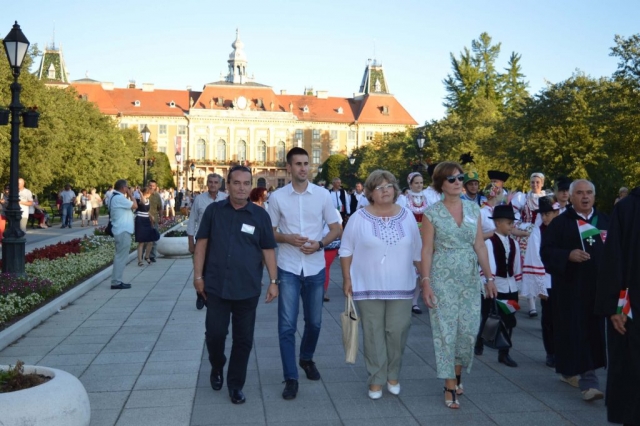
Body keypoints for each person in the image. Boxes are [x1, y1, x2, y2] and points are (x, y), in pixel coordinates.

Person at [193, 165, 278, 405]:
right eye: (237, 183)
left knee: (243, 340)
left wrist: (273, 281)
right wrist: (198, 276)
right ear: (227, 185)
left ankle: (235, 384)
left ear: (251, 186)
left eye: (246, 183)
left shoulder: (260, 215)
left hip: (247, 288)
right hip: (216, 286)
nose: (242, 188)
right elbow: (201, 245)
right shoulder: (213, 211)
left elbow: (268, 249)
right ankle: (217, 366)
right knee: (215, 335)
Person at [419, 161, 497, 409]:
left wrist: (490, 277)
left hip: (469, 279)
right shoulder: (432, 213)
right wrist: (426, 283)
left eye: (460, 178)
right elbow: (427, 250)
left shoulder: (474, 210)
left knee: (468, 330)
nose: (457, 182)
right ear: (441, 183)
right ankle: (449, 384)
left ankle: (458, 371)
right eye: (451, 179)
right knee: (445, 332)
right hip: (442, 278)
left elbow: (480, 246)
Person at [340, 170, 422, 400]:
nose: (385, 190)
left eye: (389, 186)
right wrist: (347, 279)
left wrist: (426, 280)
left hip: (402, 286)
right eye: (379, 187)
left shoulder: (406, 216)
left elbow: (417, 251)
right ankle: (376, 378)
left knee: (397, 331)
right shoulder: (358, 218)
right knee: (374, 333)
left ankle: (393, 374)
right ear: (370, 193)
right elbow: (346, 250)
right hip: (367, 286)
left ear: (395, 190)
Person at [268, 147, 341, 400]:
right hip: (288, 266)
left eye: (306, 163)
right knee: (287, 326)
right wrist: (286, 238)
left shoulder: (322, 195)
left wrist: (320, 244)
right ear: (288, 167)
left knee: (315, 322)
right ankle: (290, 377)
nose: (302, 168)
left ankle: (306, 358)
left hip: (315, 266)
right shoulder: (277, 197)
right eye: (297, 163)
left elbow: (336, 228)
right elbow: (271, 232)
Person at [540, 179, 608, 401]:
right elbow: (547, 251)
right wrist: (567, 255)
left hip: (600, 289)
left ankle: (573, 372)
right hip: (571, 289)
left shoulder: (606, 221)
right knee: (576, 331)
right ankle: (589, 383)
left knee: (593, 333)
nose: (585, 197)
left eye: (589, 192)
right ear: (570, 196)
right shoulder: (560, 223)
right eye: (580, 193)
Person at [596, 186, 640, 425]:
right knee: (633, 373)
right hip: (633, 305)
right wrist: (616, 306)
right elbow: (614, 260)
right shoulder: (628, 208)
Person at [476, 204, 522, 367]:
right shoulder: (489, 243)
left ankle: (504, 352)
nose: (512, 227)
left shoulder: (514, 243)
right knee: (489, 316)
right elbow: (487, 264)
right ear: (498, 223)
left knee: (509, 319)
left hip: (510, 286)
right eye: (509, 223)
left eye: (512, 223)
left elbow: (516, 265)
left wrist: (517, 282)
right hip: (495, 285)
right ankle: (480, 342)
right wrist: (489, 282)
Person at [522, 196, 561, 368]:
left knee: (564, 318)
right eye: (543, 214)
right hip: (546, 280)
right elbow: (534, 257)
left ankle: (563, 350)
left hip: (563, 279)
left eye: (549, 213)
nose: (545, 217)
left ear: (556, 212)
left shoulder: (564, 229)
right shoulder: (538, 232)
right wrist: (540, 286)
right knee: (548, 319)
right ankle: (550, 352)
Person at [512, 172, 547, 317]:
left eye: (537, 182)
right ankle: (531, 304)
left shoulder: (546, 199)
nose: (535, 185)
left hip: (540, 234)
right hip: (525, 235)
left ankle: (544, 301)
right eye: (532, 182)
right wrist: (519, 225)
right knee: (525, 267)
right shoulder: (523, 197)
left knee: (541, 267)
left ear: (542, 183)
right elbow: (512, 212)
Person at [397, 172, 430, 315]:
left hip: (423, 239)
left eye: (421, 183)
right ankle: (403, 299)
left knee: (420, 271)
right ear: (410, 184)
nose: (419, 185)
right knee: (406, 270)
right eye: (416, 183)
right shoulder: (403, 199)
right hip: (408, 238)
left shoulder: (427, 198)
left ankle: (414, 302)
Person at [187, 174, 228, 255]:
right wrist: (190, 242)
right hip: (202, 239)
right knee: (201, 266)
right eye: (210, 182)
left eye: (216, 182)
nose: (213, 185)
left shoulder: (226, 198)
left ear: (220, 185)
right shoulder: (199, 199)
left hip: (222, 240)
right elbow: (192, 220)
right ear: (207, 183)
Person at [110, 179, 138, 290]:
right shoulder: (119, 198)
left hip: (121, 230)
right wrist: (131, 194)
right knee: (121, 257)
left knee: (120, 256)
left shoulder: (115, 197)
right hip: (122, 231)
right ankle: (116, 281)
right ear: (123, 188)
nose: (128, 189)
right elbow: (135, 205)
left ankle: (117, 280)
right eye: (127, 187)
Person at [135, 187, 159, 266]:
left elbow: (146, 210)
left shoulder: (148, 200)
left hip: (146, 220)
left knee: (150, 241)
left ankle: (147, 256)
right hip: (140, 220)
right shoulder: (139, 199)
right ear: (146, 193)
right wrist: (141, 194)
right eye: (149, 193)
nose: (150, 194)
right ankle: (140, 260)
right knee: (141, 241)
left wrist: (150, 215)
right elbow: (143, 202)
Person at [146, 180, 164, 263]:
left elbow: (160, 208)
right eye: (150, 185)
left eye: (153, 186)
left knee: (154, 238)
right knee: (144, 238)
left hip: (154, 219)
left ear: (156, 187)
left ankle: (152, 255)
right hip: (145, 219)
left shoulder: (157, 196)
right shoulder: (144, 195)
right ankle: (143, 255)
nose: (151, 187)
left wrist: (161, 218)